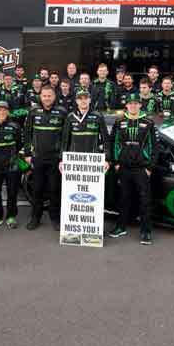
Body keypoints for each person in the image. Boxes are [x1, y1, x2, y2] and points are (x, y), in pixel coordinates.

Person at [109, 94, 156, 245]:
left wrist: (149, 167)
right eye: (131, 104)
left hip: (142, 168)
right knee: (123, 198)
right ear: (127, 106)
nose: (133, 106)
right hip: (124, 168)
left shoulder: (148, 122)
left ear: (140, 105)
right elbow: (113, 142)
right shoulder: (119, 121)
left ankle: (145, 231)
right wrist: (116, 163)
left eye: (136, 103)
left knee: (145, 200)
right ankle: (121, 227)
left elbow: (155, 147)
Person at [23, 86, 67, 231]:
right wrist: (28, 154)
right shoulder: (33, 111)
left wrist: (63, 156)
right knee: (37, 189)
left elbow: (66, 136)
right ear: (40, 96)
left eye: (49, 95)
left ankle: (55, 218)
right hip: (38, 158)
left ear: (54, 97)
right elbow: (27, 133)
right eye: (44, 96)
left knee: (54, 189)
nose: (47, 98)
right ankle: (35, 217)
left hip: (55, 158)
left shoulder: (62, 112)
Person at [0, 101, 23, 229]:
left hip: (12, 165)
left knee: (12, 192)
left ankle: (11, 216)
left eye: (4, 110)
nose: (2, 112)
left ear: (8, 111)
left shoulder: (15, 127)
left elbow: (19, 144)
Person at [60, 87, 109, 160]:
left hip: (93, 158)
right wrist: (62, 158)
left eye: (86, 98)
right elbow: (65, 140)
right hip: (74, 159)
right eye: (80, 98)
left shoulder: (98, 116)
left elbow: (105, 139)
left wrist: (107, 159)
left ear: (90, 100)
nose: (83, 101)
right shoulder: (70, 117)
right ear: (76, 101)